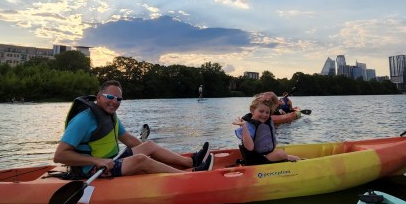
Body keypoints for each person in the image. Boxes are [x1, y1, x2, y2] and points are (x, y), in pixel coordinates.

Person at [54, 80, 213, 177]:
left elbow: (129, 139)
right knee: (141, 160)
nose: (115, 102)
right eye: (110, 97)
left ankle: (190, 161)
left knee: (148, 145)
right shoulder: (83, 120)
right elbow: (60, 155)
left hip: (113, 159)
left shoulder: (110, 115)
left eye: (119, 99)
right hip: (92, 169)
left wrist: (147, 150)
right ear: (99, 97)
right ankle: (188, 176)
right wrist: (97, 160)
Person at [232, 95, 301, 165]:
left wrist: (269, 95)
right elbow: (249, 148)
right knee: (281, 153)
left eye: (267, 112)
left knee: (296, 158)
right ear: (252, 110)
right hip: (256, 160)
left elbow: (276, 102)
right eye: (261, 111)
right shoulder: (249, 126)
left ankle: (297, 163)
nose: (264, 114)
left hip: (265, 155)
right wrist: (244, 127)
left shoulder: (267, 120)